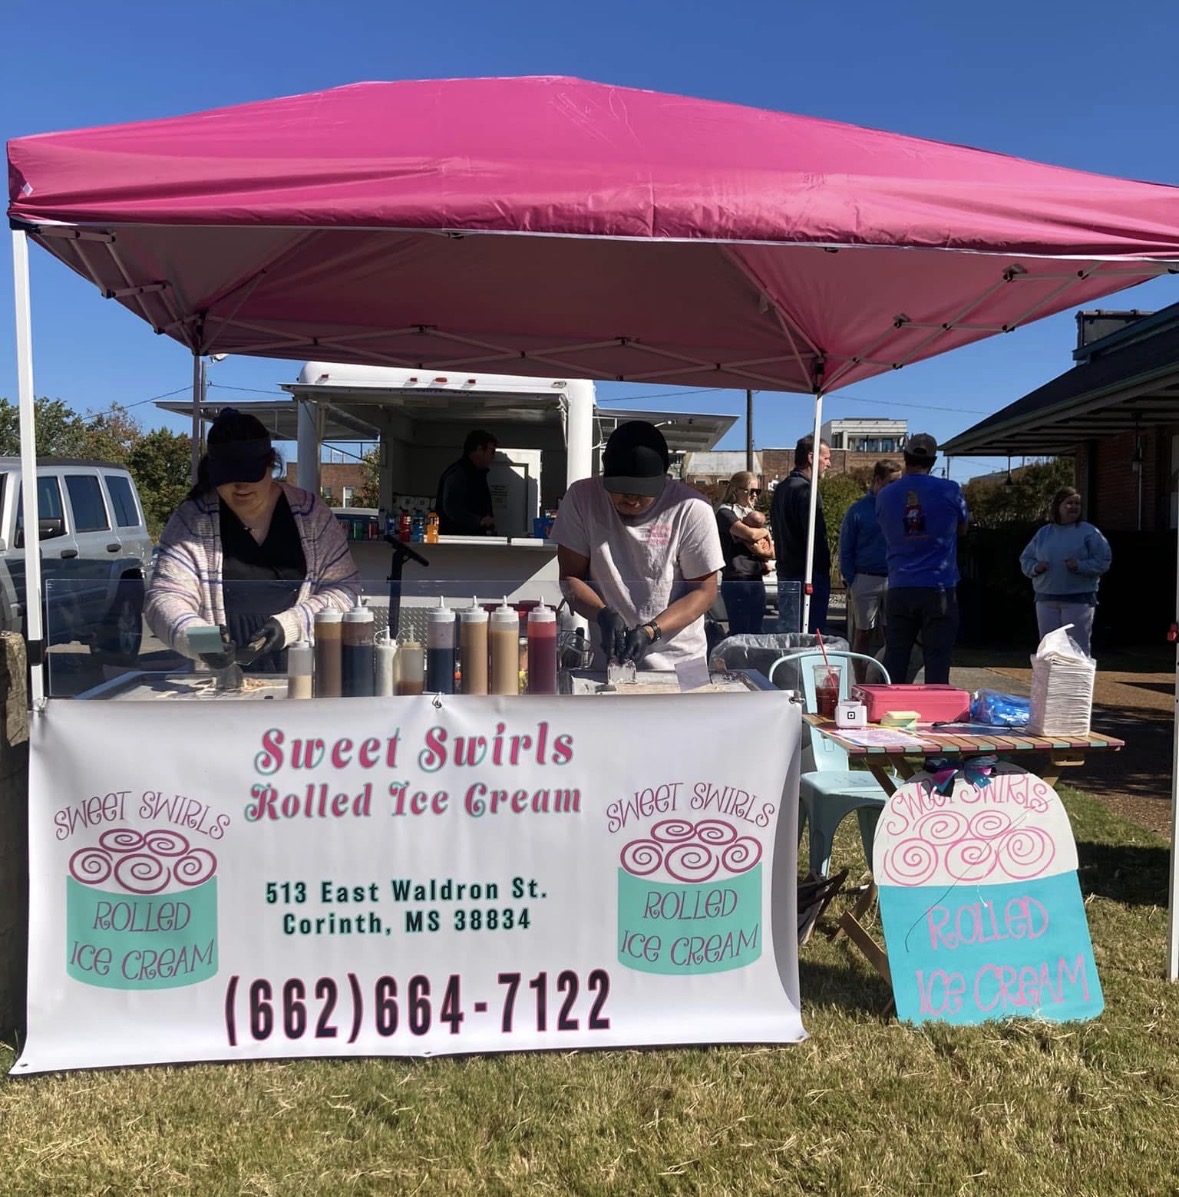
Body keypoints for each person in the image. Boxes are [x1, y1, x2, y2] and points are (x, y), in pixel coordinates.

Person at [146, 408, 361, 672]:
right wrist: (201, 639)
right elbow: (163, 598)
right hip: (219, 678)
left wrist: (291, 625)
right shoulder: (192, 519)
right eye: (228, 477)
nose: (240, 486)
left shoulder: (311, 514)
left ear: (271, 464)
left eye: (250, 474)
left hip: (303, 670)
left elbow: (345, 589)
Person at [552, 420, 724, 670]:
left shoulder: (692, 508)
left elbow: (705, 592)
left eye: (643, 491)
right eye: (621, 489)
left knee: (690, 709)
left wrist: (651, 631)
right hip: (611, 662)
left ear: (664, 477)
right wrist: (603, 614)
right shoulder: (581, 498)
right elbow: (569, 577)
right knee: (617, 709)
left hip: (686, 661)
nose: (631, 499)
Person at [875, 433, 969, 686]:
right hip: (939, 586)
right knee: (937, 658)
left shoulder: (885, 495)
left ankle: (890, 710)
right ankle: (935, 714)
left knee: (896, 656)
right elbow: (962, 528)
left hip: (900, 584)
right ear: (933, 460)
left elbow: (885, 528)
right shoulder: (950, 490)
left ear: (905, 457)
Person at [1019, 487, 1111, 657]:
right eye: (1069, 503)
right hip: (1046, 598)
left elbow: (1103, 560)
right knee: (1048, 650)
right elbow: (1026, 559)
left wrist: (1081, 566)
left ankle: (1077, 683)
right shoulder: (1044, 533)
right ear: (1058, 506)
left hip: (1078, 599)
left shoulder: (1089, 532)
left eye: (1077, 503)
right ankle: (1051, 684)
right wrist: (1035, 568)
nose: (1074, 507)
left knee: (1076, 649)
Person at [839, 460, 902, 663]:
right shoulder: (858, 510)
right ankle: (861, 683)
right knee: (863, 634)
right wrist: (852, 580)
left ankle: (887, 681)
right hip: (865, 578)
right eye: (892, 482)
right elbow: (845, 547)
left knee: (893, 636)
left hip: (894, 580)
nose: (896, 488)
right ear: (878, 480)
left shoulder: (900, 508)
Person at [770, 434, 832, 634]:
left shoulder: (781, 489)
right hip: (808, 574)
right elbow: (816, 537)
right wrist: (824, 569)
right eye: (826, 458)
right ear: (812, 458)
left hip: (786, 571)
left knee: (789, 634)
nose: (829, 464)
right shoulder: (807, 491)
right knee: (812, 636)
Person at [716, 471, 773, 635]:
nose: (755, 495)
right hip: (737, 578)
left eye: (758, 491)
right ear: (736, 490)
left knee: (755, 630)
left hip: (756, 577)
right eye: (751, 491)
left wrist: (764, 553)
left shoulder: (752, 515)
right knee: (739, 631)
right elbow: (751, 535)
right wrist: (765, 533)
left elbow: (772, 552)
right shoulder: (724, 513)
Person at [435, 430, 497, 535]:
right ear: (479, 449)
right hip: (458, 540)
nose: (493, 457)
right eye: (491, 451)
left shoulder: (476, 474)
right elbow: (452, 507)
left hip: (470, 539)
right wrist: (479, 521)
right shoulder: (459, 474)